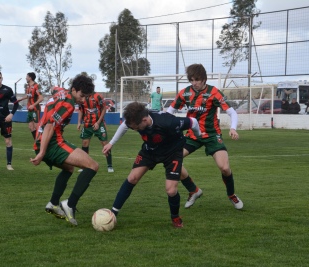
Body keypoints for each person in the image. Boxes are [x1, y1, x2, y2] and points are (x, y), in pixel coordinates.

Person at [102, 102, 201, 228]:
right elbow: (125, 126)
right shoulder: (135, 120)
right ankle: (113, 214)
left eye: (136, 128)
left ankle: (175, 217)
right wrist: (111, 143)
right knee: (132, 178)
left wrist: (199, 135)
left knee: (171, 190)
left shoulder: (168, 122)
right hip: (150, 151)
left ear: (144, 120)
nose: (135, 130)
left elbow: (193, 122)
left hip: (172, 153)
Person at [167, 63, 244, 210]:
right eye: (191, 80)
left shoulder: (214, 92)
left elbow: (232, 112)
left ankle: (232, 195)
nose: (194, 83)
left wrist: (233, 128)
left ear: (204, 79)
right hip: (191, 135)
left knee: (225, 168)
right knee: (172, 160)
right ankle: (193, 190)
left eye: (197, 79)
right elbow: (169, 112)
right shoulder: (185, 93)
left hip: (211, 135)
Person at [30, 75, 99, 226]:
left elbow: (54, 88)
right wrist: (42, 153)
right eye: (81, 96)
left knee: (69, 168)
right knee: (93, 166)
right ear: (74, 90)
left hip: (41, 139)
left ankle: (53, 204)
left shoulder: (61, 91)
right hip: (51, 142)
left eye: (86, 97)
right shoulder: (68, 104)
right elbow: (50, 125)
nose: (82, 100)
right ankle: (70, 204)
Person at [77, 92, 114, 173]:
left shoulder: (98, 96)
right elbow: (81, 110)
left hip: (99, 124)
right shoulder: (82, 98)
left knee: (104, 143)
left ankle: (110, 166)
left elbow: (103, 109)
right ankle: (84, 165)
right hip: (87, 124)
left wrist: (98, 122)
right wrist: (79, 122)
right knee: (85, 143)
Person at [17, 72, 44, 139]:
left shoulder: (36, 86)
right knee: (31, 127)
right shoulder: (28, 86)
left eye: (27, 76)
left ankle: (42, 140)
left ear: (30, 78)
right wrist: (20, 99)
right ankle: (37, 141)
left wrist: (33, 105)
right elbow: (28, 95)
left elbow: (41, 98)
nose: (26, 78)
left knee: (36, 126)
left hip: (35, 109)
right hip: (29, 109)